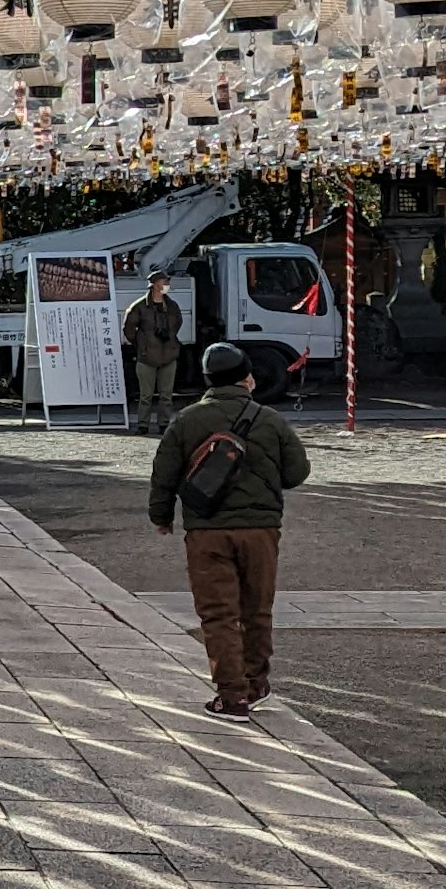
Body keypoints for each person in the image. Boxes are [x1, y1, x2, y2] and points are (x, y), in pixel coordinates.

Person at [148, 340, 310, 719]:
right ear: (248, 378)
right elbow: (297, 473)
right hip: (261, 530)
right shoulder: (270, 420)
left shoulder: (186, 420)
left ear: (207, 380)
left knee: (218, 614)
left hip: (207, 531)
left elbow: (164, 473)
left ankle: (231, 696)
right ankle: (255, 685)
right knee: (257, 610)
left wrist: (162, 516)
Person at [124, 275, 188, 436]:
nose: (167, 285)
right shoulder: (139, 306)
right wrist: (142, 344)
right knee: (146, 395)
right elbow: (129, 329)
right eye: (163, 282)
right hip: (146, 356)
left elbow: (177, 324)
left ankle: (164, 424)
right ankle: (143, 424)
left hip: (169, 355)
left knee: (166, 395)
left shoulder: (172, 306)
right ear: (154, 285)